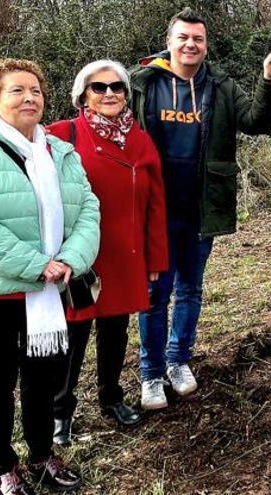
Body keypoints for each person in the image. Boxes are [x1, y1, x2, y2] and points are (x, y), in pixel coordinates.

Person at [0, 58, 99, 494]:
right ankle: (2, 467)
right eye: (17, 90)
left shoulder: (60, 152)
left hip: (51, 286)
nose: (30, 98)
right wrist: (33, 264)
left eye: (36, 90)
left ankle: (42, 456)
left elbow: (88, 209)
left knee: (44, 377)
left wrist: (71, 259)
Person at [129, 7, 271, 409]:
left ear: (206, 45)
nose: (190, 45)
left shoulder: (221, 86)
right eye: (183, 38)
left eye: (197, 39)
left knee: (190, 289)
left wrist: (267, 79)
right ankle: (150, 373)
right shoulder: (142, 83)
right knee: (154, 293)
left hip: (201, 208)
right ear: (169, 42)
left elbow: (256, 122)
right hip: (154, 211)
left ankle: (178, 360)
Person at [46, 60, 168, 445]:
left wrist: (154, 259)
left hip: (125, 254)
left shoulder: (140, 140)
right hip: (82, 257)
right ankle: (60, 412)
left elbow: (155, 204)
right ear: (83, 95)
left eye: (117, 87)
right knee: (73, 335)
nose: (109, 93)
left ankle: (111, 398)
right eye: (99, 87)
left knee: (115, 332)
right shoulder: (62, 135)